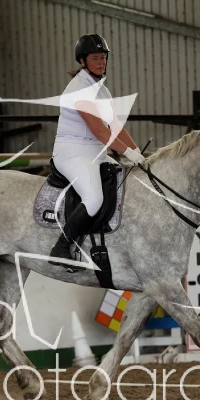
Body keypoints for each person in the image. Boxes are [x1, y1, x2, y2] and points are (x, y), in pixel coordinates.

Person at [48, 33, 145, 267]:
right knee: (94, 198)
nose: (101, 62)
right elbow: (101, 132)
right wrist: (128, 153)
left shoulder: (102, 89)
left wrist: (138, 152)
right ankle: (61, 247)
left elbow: (115, 126)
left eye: (103, 57)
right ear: (83, 61)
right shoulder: (79, 89)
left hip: (95, 153)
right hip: (72, 153)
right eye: (95, 58)